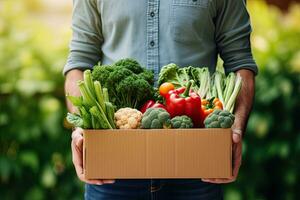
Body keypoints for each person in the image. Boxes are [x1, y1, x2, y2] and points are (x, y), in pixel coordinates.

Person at [64, 0, 257, 199]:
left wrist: (236, 128)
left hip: (197, 164)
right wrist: (81, 127)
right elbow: (78, 64)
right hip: (113, 165)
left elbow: (240, 64)